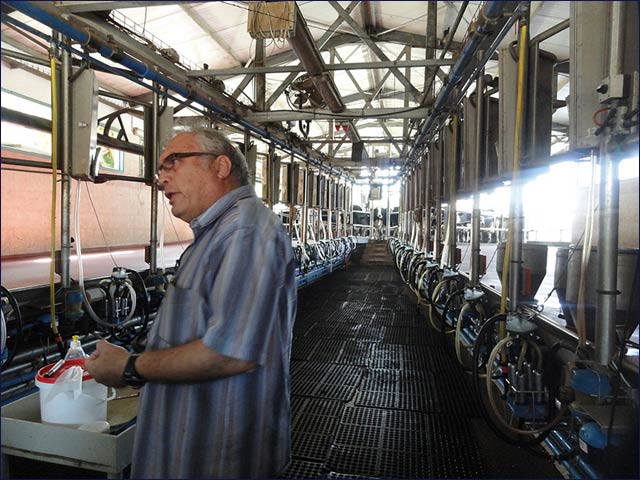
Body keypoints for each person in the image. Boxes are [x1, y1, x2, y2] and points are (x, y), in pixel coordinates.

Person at [85, 128, 297, 478]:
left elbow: (232, 352)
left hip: (218, 457)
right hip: (191, 451)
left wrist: (129, 367)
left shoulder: (246, 232)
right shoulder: (215, 235)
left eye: (173, 162)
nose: (161, 178)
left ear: (221, 167)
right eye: (160, 168)